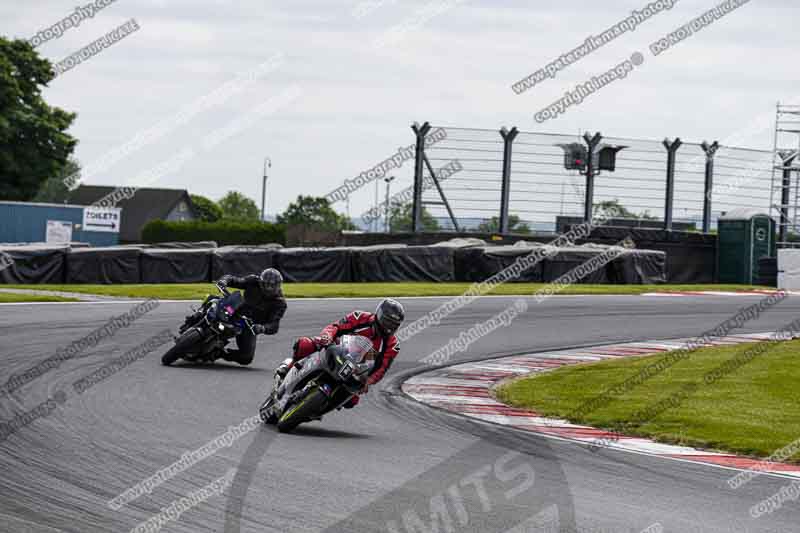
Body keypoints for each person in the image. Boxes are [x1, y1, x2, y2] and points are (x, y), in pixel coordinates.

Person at [276, 298, 404, 408]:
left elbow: (382, 368)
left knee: (352, 400)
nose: (389, 328)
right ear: (379, 315)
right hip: (336, 349)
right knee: (304, 345)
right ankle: (288, 368)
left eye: (393, 325)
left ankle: (317, 408)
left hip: (356, 370)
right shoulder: (360, 317)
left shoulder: (392, 345)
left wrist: (368, 381)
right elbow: (336, 327)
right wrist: (327, 337)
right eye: (387, 322)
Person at [183, 268, 287, 365]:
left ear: (278, 286)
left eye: (272, 285)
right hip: (235, 309)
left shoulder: (280, 303)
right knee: (214, 300)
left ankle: (218, 353)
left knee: (247, 357)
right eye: (266, 284)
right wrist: (224, 281)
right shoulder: (253, 281)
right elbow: (235, 280)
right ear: (261, 282)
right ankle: (194, 318)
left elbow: (274, 325)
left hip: (249, 325)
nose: (269, 288)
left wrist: (262, 328)